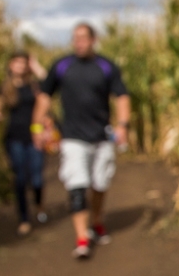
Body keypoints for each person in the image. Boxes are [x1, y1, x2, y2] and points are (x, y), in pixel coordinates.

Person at [33, 22, 130, 260]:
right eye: (75, 38)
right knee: (77, 187)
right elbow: (45, 97)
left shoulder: (106, 67)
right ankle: (82, 239)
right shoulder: (62, 65)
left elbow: (122, 96)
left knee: (99, 184)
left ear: (93, 40)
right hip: (72, 138)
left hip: (101, 137)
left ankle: (96, 220)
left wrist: (123, 125)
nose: (79, 42)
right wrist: (36, 127)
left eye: (83, 38)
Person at [0, 51, 48, 235]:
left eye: (24, 63)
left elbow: (51, 84)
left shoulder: (34, 86)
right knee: (20, 178)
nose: (21, 66)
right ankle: (23, 218)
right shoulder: (4, 87)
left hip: (35, 135)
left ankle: (39, 205)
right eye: (17, 63)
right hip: (14, 136)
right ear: (10, 65)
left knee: (37, 176)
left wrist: (37, 67)